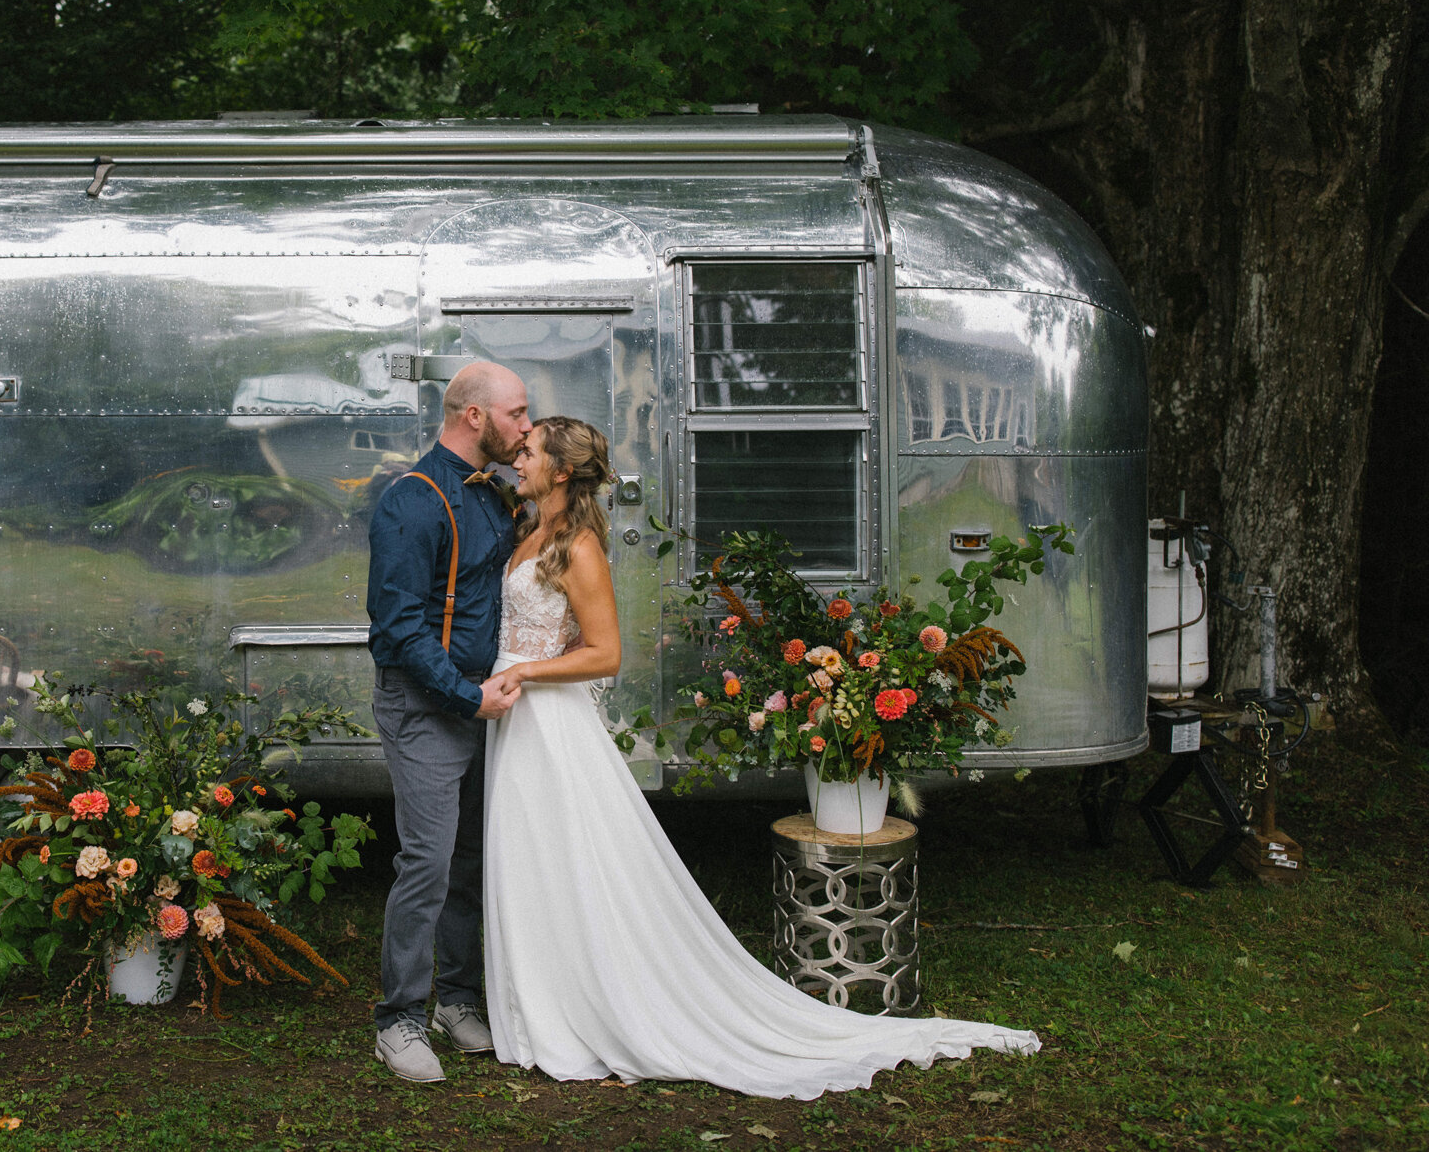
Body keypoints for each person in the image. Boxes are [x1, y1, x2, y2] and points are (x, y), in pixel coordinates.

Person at [481, 416, 1041, 1099]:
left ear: (562, 470)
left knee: (568, 861)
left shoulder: (580, 548)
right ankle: (542, 1000)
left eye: (532, 450)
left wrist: (524, 675)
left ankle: (582, 1008)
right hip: (515, 717)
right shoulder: (528, 528)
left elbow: (605, 653)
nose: (520, 456)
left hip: (549, 719)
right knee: (533, 859)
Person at [364, 360, 532, 1083]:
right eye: (517, 414)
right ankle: (398, 1019)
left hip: (482, 700)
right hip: (428, 704)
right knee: (427, 862)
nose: (527, 427)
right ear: (474, 417)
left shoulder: (493, 497)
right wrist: (469, 697)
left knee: (469, 859)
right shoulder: (412, 501)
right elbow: (400, 630)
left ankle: (456, 1001)